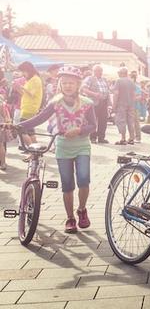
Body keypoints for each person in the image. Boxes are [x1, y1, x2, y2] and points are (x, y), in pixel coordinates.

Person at [15, 66, 96, 233]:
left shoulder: (87, 103)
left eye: (71, 83)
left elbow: (94, 125)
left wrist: (79, 130)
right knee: (67, 184)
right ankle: (70, 218)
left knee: (83, 179)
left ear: (78, 84)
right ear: (60, 84)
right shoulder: (55, 103)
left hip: (82, 146)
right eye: (64, 82)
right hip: (63, 147)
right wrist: (17, 126)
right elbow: (39, 119)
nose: (67, 86)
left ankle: (81, 210)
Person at [16, 61, 43, 147]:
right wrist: (19, 88)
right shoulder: (33, 79)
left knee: (21, 130)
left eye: (23, 71)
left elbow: (31, 93)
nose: (23, 74)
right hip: (28, 107)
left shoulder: (35, 79)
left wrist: (21, 86)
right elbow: (26, 94)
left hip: (29, 108)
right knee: (30, 131)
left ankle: (32, 151)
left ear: (28, 70)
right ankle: (36, 152)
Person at [82, 65, 111, 143]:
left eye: (101, 71)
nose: (99, 72)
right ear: (93, 71)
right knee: (93, 120)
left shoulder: (104, 79)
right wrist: (94, 94)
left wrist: (109, 104)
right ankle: (93, 137)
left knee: (103, 120)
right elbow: (84, 89)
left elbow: (108, 92)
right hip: (93, 102)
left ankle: (101, 138)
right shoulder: (89, 79)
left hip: (104, 102)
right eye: (97, 71)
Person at [112, 67, 136, 145]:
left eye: (119, 73)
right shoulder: (131, 81)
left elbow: (116, 94)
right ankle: (131, 138)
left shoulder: (119, 81)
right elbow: (133, 94)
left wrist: (114, 105)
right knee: (130, 121)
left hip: (121, 104)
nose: (118, 74)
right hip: (131, 104)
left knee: (121, 121)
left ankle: (123, 138)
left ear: (122, 73)